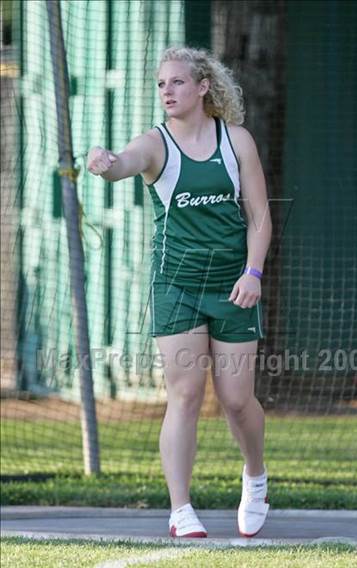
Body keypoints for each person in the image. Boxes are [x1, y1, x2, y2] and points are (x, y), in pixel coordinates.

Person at [87, 46, 272, 538]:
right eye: (162, 84)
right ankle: (180, 509)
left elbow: (259, 217)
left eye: (177, 83)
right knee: (185, 394)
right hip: (177, 286)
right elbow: (125, 163)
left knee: (236, 399)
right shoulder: (155, 143)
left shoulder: (237, 142)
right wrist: (105, 163)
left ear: (203, 86)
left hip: (234, 285)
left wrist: (253, 273)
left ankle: (255, 476)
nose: (167, 92)